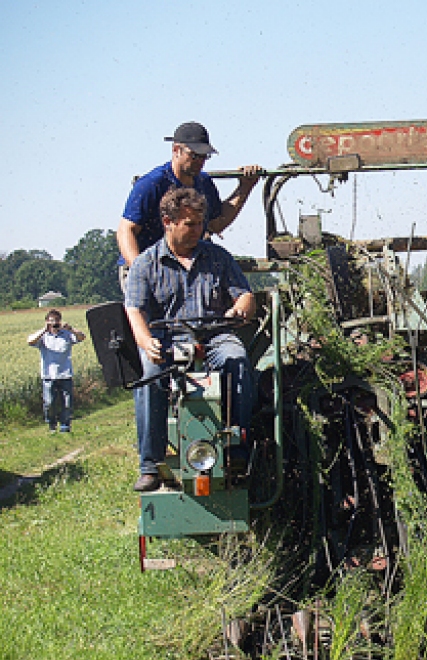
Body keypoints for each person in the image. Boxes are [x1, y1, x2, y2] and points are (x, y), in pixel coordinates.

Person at [124, 187, 255, 492]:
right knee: (149, 375)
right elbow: (134, 310)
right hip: (168, 342)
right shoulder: (145, 263)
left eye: (201, 223)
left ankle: (236, 447)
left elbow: (245, 294)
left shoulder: (218, 257)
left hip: (214, 339)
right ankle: (150, 464)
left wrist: (240, 308)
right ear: (168, 221)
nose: (200, 230)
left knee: (237, 359)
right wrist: (146, 342)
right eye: (191, 224)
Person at [116, 121, 263, 286]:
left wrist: (245, 188)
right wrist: (142, 272)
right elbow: (125, 231)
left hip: (186, 266)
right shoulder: (152, 183)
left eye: (204, 156)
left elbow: (216, 224)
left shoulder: (204, 183)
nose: (200, 161)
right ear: (176, 150)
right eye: (194, 155)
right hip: (148, 265)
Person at [27, 309, 86, 432]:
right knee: (49, 402)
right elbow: (30, 341)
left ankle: (65, 425)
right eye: (51, 321)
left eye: (57, 321)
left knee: (67, 403)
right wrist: (44, 329)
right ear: (47, 322)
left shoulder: (66, 334)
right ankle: (51, 423)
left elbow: (82, 337)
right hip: (48, 375)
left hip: (65, 374)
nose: (55, 324)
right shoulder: (43, 336)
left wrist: (71, 329)